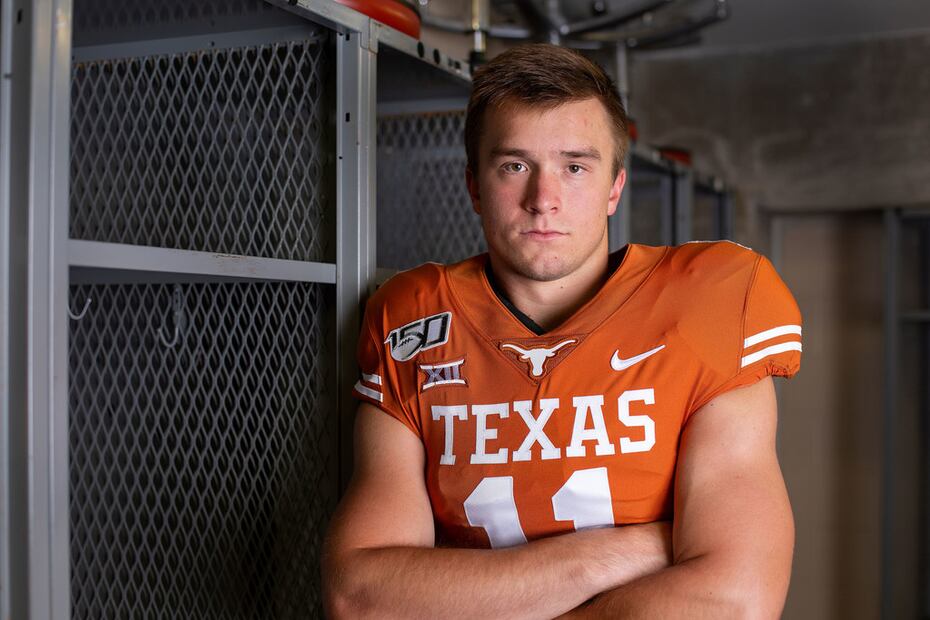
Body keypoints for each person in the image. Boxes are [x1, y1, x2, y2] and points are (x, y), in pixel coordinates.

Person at [323, 43, 801, 618]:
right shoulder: (413, 315)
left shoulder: (711, 300)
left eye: (575, 166)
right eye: (514, 166)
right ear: (474, 186)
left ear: (614, 188)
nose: (543, 201)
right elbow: (360, 596)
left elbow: (734, 599)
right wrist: (630, 549)